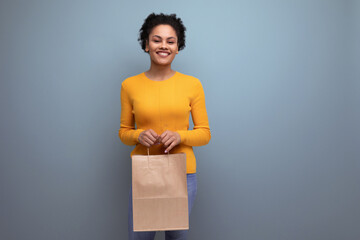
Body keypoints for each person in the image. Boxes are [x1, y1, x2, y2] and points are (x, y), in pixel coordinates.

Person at [118, 12, 211, 240]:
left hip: (182, 174)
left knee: (177, 237)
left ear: (178, 47)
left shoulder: (192, 84)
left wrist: (180, 136)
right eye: (157, 40)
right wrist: (138, 135)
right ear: (146, 44)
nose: (164, 46)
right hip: (145, 173)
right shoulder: (129, 85)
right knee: (139, 236)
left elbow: (205, 133)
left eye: (171, 41)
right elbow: (123, 132)